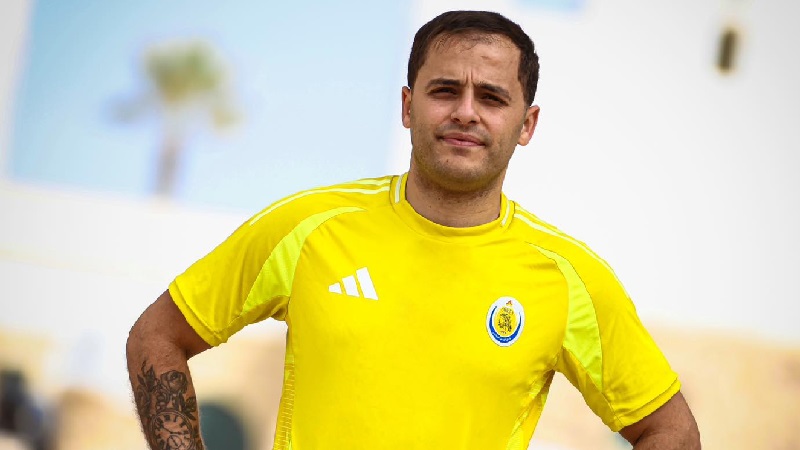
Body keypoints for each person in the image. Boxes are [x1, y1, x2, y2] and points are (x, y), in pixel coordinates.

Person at [126, 10, 701, 450]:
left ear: (527, 125)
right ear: (408, 106)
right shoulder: (308, 228)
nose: (466, 112)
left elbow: (670, 431)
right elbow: (157, 336)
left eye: (492, 97)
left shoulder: (568, 277)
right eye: (445, 90)